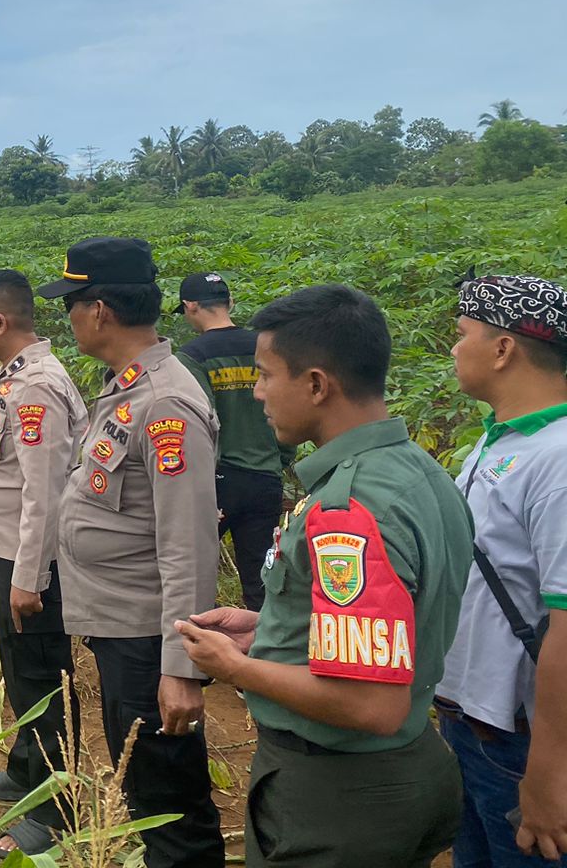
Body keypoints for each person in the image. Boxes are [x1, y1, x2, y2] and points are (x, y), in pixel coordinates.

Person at [176, 285, 472, 868]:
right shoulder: (418, 472)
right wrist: (271, 626)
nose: (257, 391)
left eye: (265, 374)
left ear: (315, 384)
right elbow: (389, 625)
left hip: (339, 794)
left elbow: (369, 704)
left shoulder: (350, 508)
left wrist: (237, 668)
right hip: (402, 769)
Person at [37, 237, 225, 868]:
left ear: (99, 311)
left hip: (149, 642)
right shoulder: (127, 389)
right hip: (122, 632)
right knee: (149, 797)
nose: (67, 318)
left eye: (71, 304)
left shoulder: (164, 403)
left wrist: (181, 667)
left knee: (168, 806)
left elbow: (188, 545)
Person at [438, 274, 567, 866]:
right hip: (473, 723)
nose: (455, 348)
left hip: (521, 745)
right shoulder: (499, 441)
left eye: (463, 334)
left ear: (503, 347)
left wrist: (547, 773)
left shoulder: (557, 459)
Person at [0, 270, 87, 859]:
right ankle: (25, 768)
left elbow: (46, 491)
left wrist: (29, 576)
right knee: (20, 667)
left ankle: (52, 809)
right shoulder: (15, 378)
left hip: (28, 558)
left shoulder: (35, 387)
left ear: (0, 322)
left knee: (40, 673)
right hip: (10, 550)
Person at [175, 272, 293, 610]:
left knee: (193, 575)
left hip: (217, 483)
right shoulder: (265, 346)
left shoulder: (191, 357)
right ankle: (263, 653)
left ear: (190, 306)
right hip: (265, 477)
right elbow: (287, 406)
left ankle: (197, 653)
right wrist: (278, 459)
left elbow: (198, 424)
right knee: (261, 582)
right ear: (230, 303)